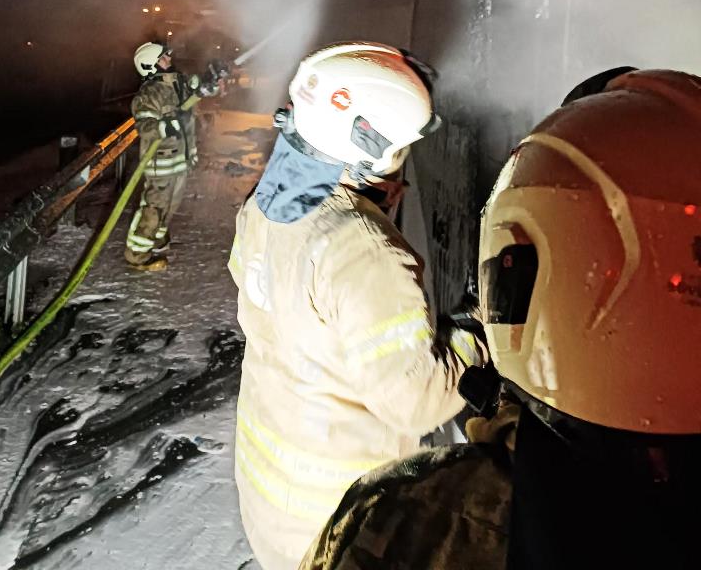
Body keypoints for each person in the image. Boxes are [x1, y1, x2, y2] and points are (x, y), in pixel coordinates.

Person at [299, 68, 701, 570]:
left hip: (301, 492)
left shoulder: (411, 520)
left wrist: (477, 329)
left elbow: (418, 400)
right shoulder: (361, 246)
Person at [228, 42, 486, 570]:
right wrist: (476, 331)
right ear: (372, 146)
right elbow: (417, 403)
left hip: (272, 506)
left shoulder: (267, 203)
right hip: (340, 529)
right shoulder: (364, 250)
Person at [125, 41, 226, 271]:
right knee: (154, 207)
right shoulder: (150, 93)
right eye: (163, 57)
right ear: (150, 65)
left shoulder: (178, 82)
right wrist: (165, 126)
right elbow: (145, 125)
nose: (169, 59)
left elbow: (199, 88)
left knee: (170, 205)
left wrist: (213, 77)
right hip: (161, 163)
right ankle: (137, 254)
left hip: (180, 159)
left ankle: (156, 239)